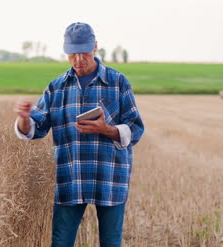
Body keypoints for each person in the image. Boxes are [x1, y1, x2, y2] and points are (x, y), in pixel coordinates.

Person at [14, 22, 145, 247]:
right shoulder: (56, 88)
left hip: (110, 177)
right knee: (61, 242)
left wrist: (108, 130)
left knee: (111, 242)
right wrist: (24, 118)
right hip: (70, 178)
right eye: (72, 53)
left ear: (95, 46)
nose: (78, 59)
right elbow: (34, 130)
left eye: (84, 52)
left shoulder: (118, 82)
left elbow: (135, 128)